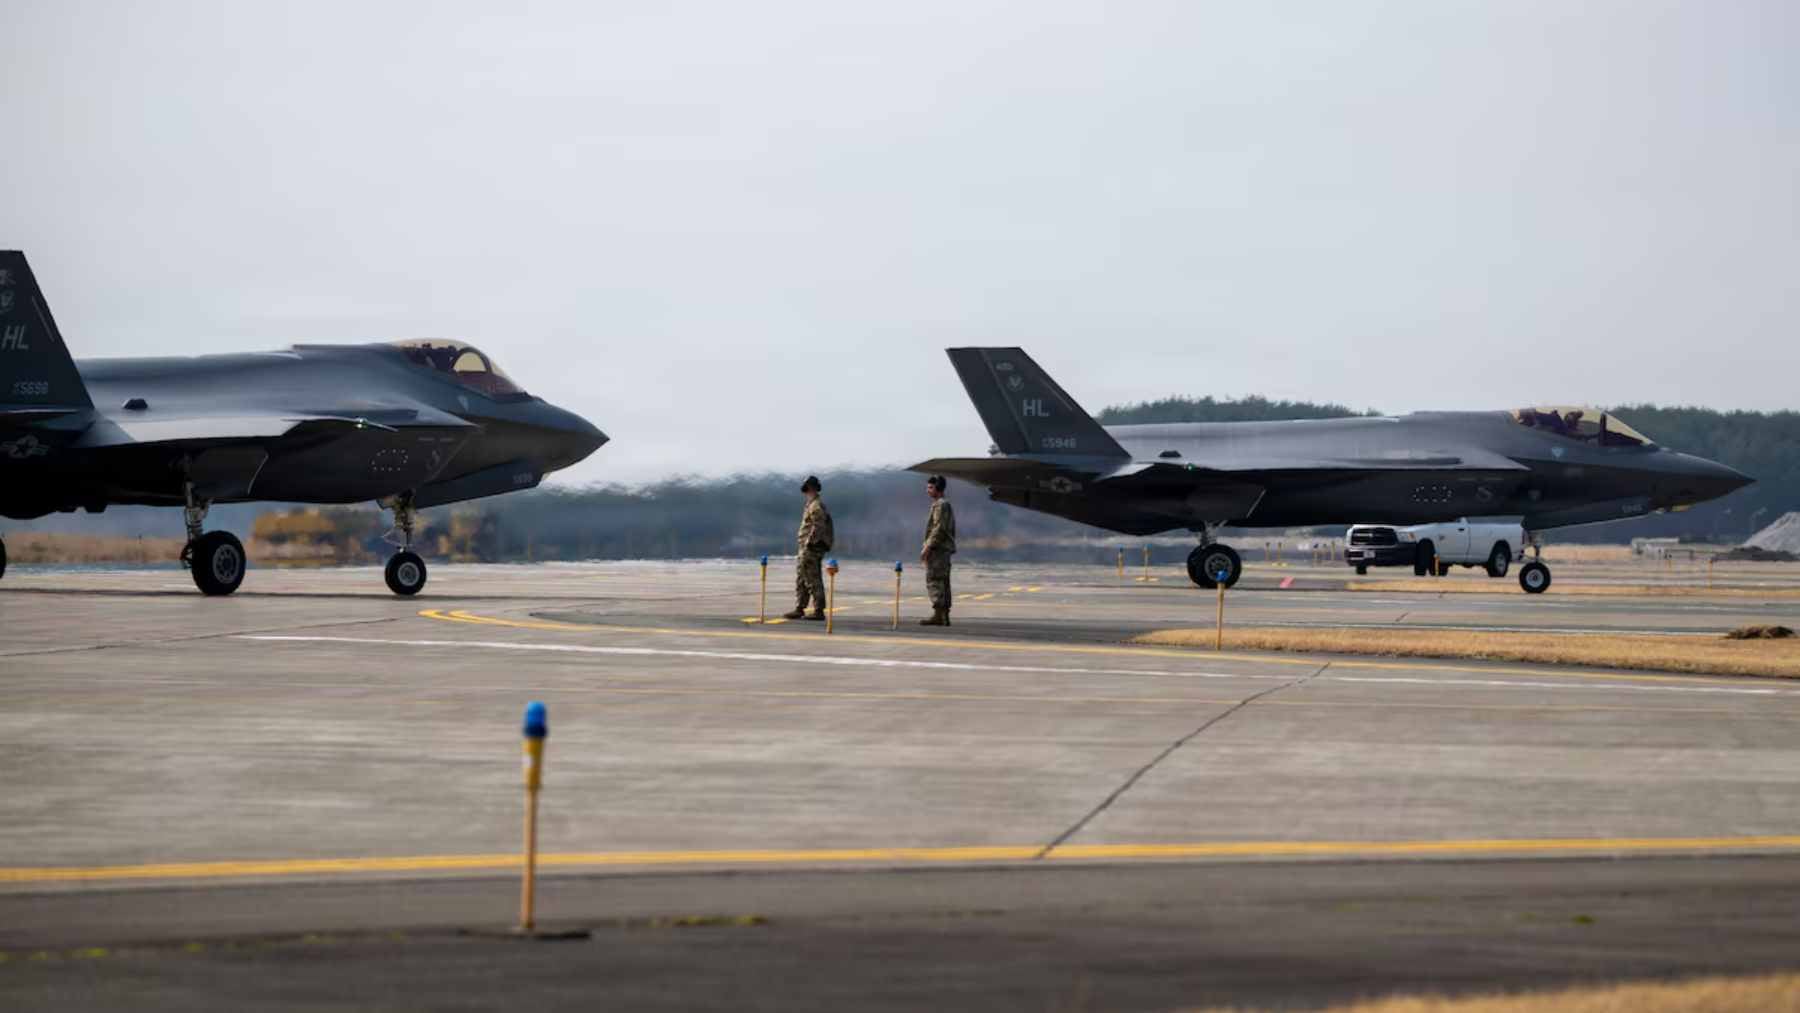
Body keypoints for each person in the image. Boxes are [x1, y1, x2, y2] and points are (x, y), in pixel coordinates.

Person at [783, 475, 833, 621]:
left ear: (810, 488)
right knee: (802, 577)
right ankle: (800, 608)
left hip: (811, 548)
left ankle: (818, 610)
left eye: (806, 489)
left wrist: (810, 543)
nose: (805, 492)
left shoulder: (815, 505)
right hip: (806, 547)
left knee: (812, 578)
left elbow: (819, 526)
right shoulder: (811, 504)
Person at [918, 474, 956, 626]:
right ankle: (944, 616)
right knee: (943, 581)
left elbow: (938, 529)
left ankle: (939, 615)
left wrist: (928, 547)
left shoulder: (940, 505)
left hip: (938, 549)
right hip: (943, 549)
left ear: (938, 489)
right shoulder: (942, 504)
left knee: (934, 580)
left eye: (930, 487)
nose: (927, 490)